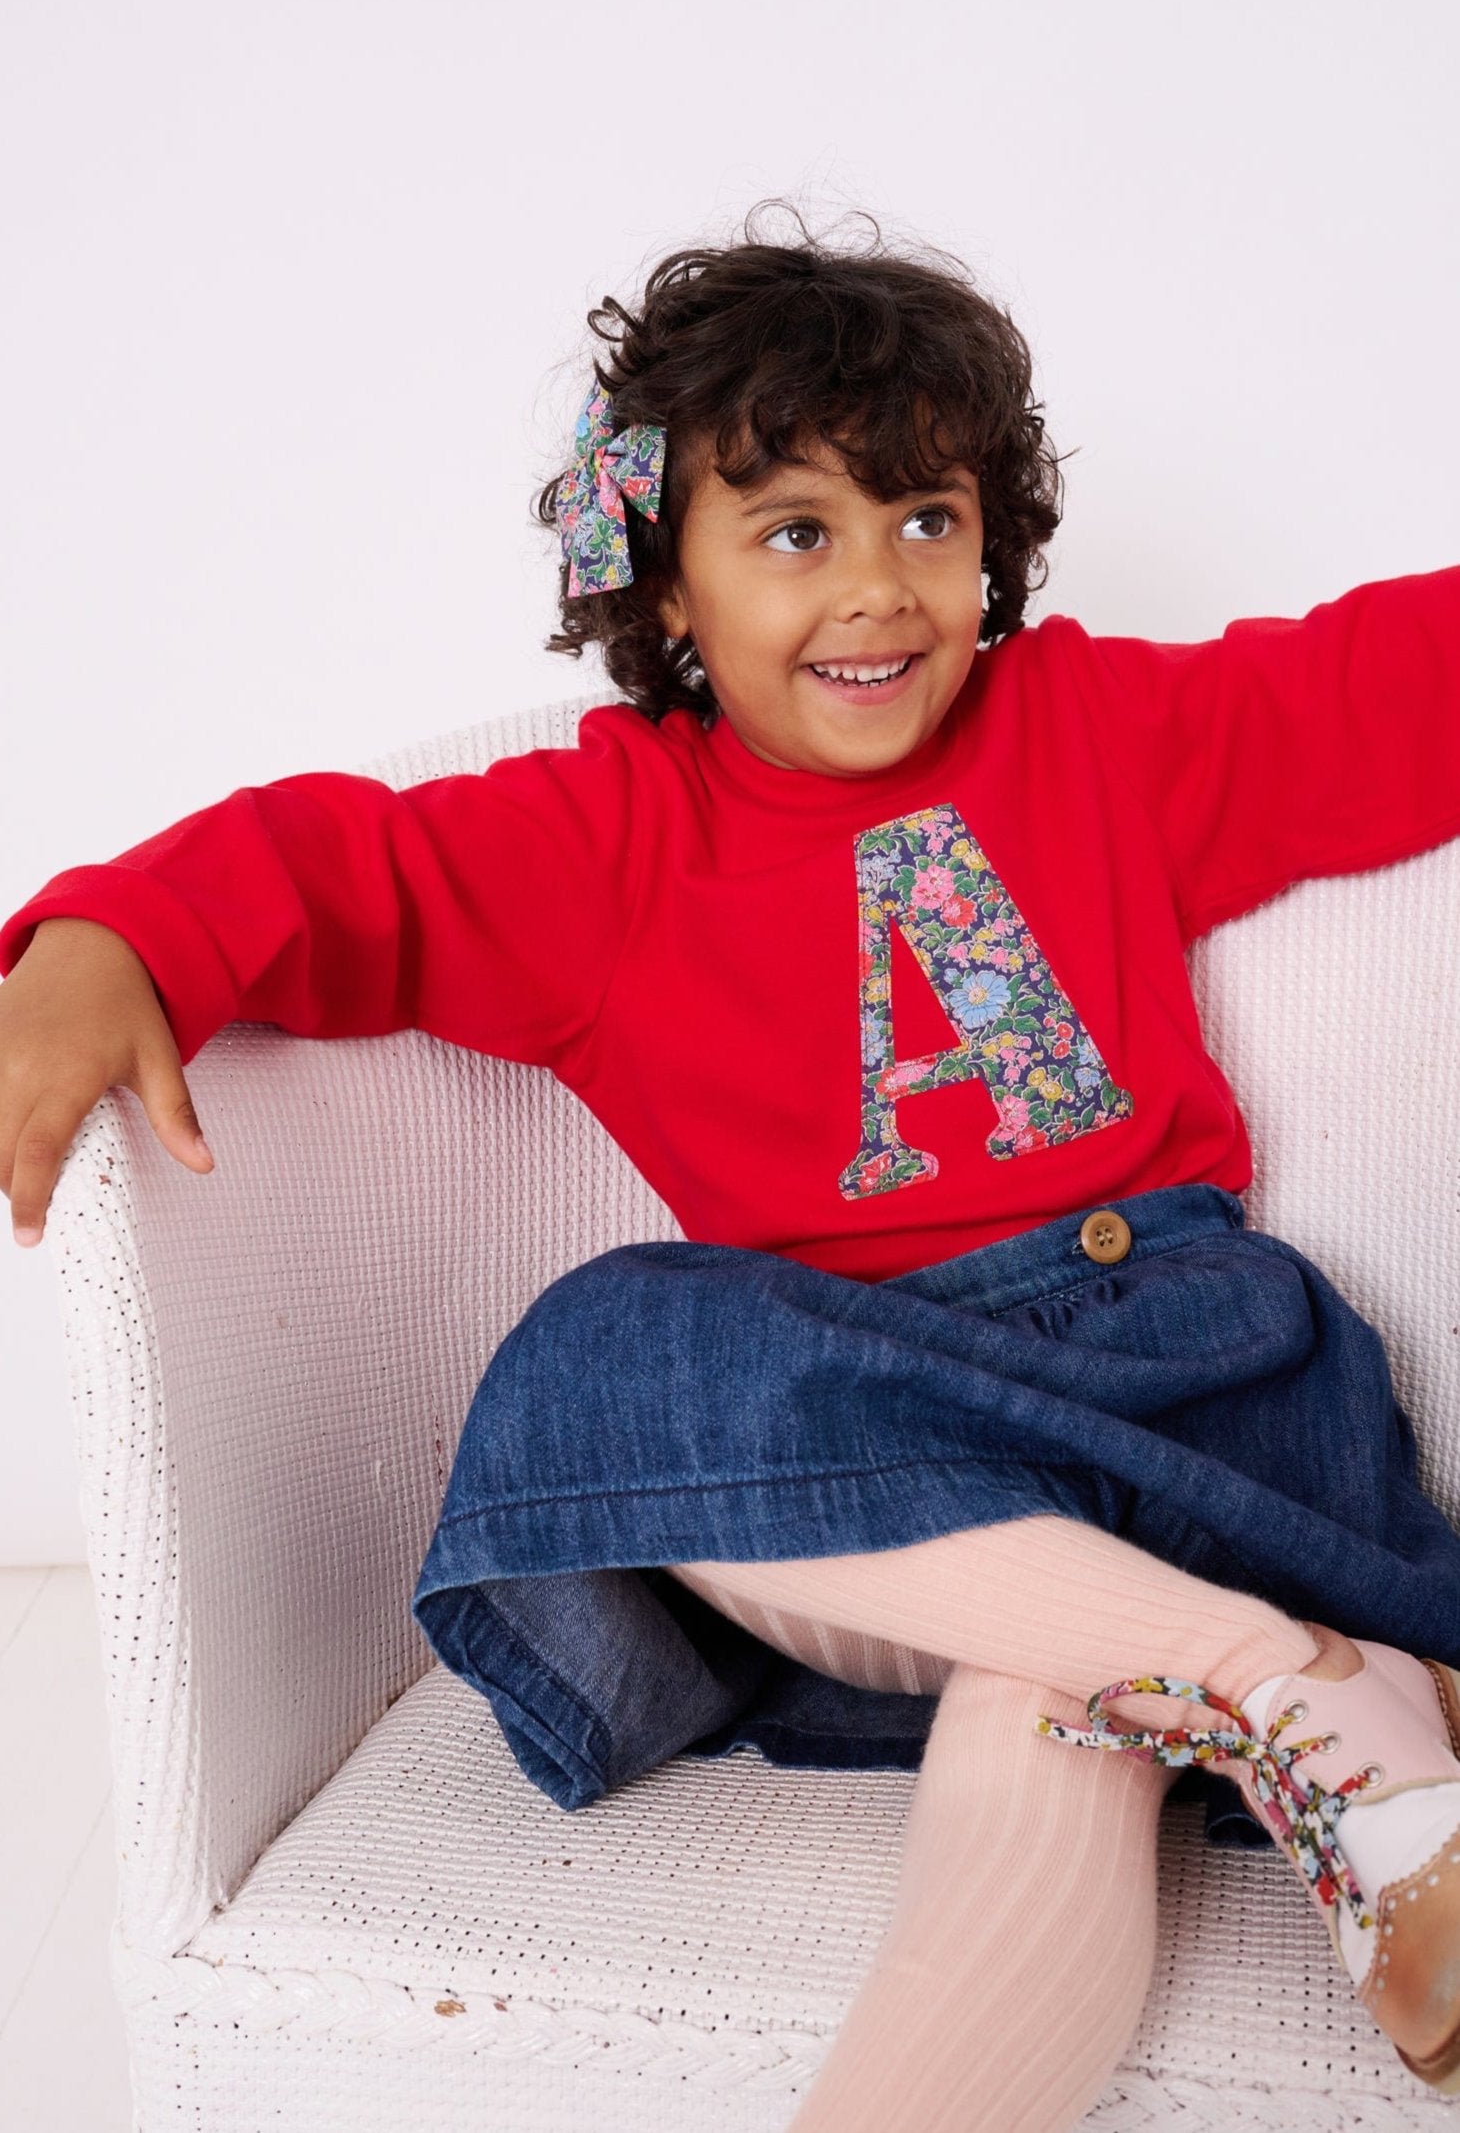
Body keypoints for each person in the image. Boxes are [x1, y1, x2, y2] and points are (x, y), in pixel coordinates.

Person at [4, 200, 1460, 2131]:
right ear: (668, 591)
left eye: (925, 521)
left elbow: (1388, 679)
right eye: (795, 534)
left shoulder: (1104, 730)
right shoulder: (612, 836)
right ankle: (1301, 1694)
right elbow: (331, 867)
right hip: (881, 1476)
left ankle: (1284, 1686)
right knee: (630, 1367)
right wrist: (107, 943)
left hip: (1185, 1387)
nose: (877, 588)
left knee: (1037, 1687)